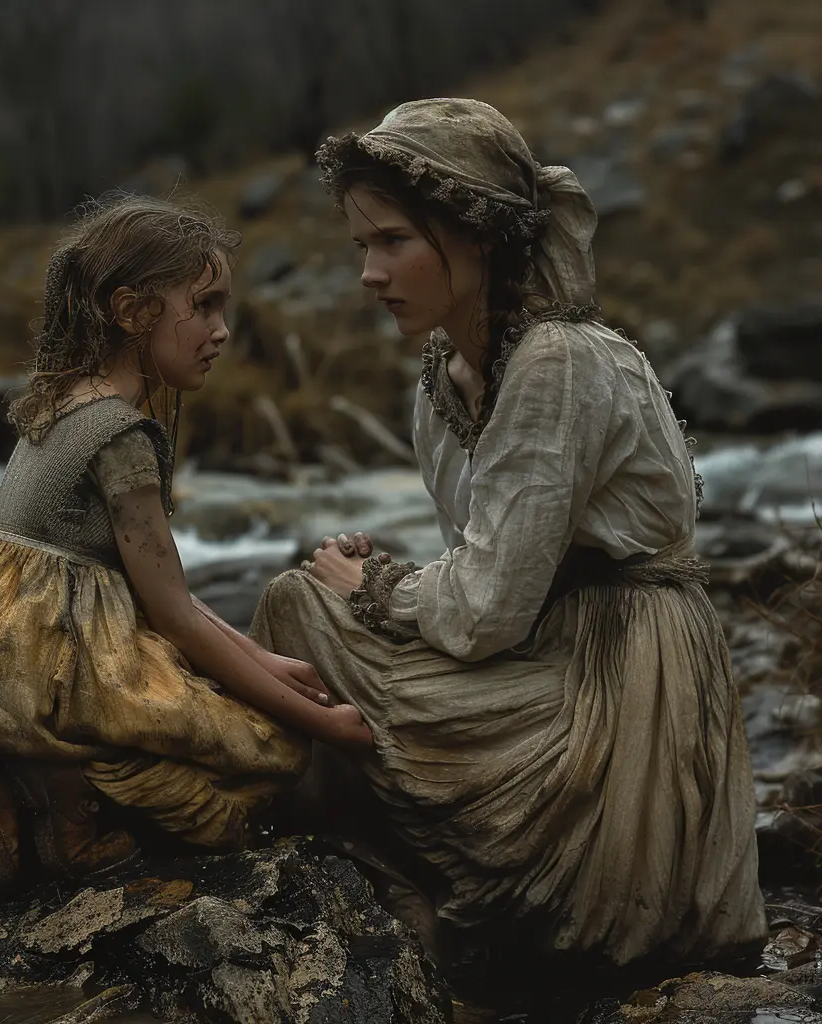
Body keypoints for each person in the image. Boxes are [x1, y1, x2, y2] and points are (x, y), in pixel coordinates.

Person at [250, 98, 767, 968]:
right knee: (298, 604)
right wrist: (400, 585)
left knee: (307, 604)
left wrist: (378, 591)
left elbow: (489, 608)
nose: (370, 275)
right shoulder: (442, 378)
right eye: (360, 247)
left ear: (475, 235)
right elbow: (496, 567)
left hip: (624, 677)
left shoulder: (559, 363)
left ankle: (421, 892)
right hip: (544, 646)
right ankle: (384, 883)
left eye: (392, 242)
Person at [0, 193, 371, 903]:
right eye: (205, 306)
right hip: (60, 676)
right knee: (274, 751)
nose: (222, 331)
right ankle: (80, 797)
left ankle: (37, 786)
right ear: (132, 312)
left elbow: (162, 597)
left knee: (243, 703)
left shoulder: (60, 402)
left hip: (1, 678)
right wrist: (325, 723)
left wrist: (268, 661)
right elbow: (176, 615)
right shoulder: (122, 436)